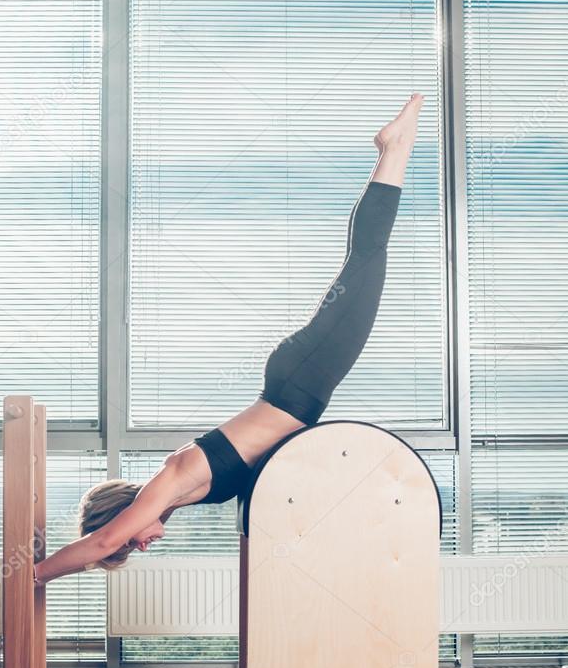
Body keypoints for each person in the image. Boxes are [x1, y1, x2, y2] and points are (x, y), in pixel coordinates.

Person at [35, 93, 424, 584]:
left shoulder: (168, 482)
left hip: (300, 382)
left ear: (123, 517)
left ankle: (394, 147)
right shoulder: (179, 491)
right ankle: (395, 149)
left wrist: (33, 576)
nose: (143, 542)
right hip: (299, 383)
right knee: (364, 262)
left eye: (133, 541)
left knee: (366, 259)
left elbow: (103, 542)